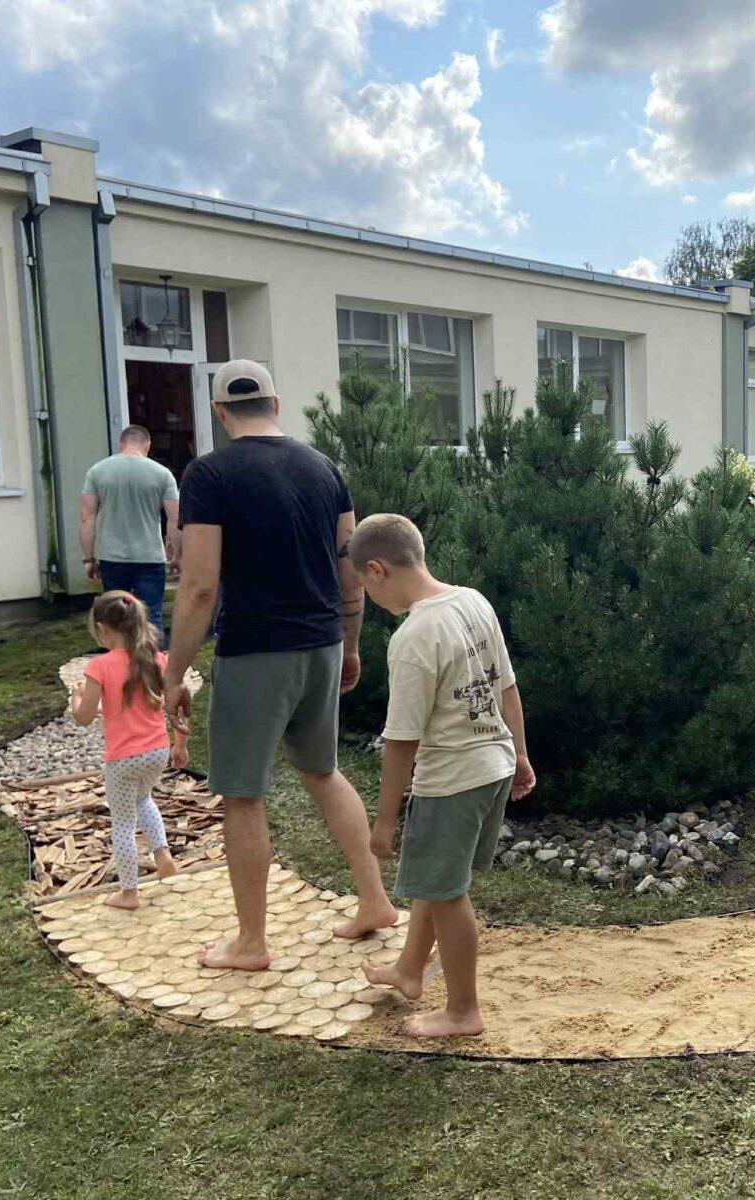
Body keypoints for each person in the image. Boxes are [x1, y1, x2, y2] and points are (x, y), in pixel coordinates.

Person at [164, 360, 400, 971]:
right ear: (275, 402)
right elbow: (351, 570)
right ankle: (375, 900)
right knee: (323, 771)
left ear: (220, 412)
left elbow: (199, 587)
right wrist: (351, 643)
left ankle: (251, 942)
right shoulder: (325, 469)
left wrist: (174, 672)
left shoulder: (209, 474)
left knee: (242, 794)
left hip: (255, 651)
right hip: (322, 642)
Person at [349, 514, 535, 1039]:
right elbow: (506, 686)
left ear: (377, 569)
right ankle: (410, 970)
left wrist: (384, 821)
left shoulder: (414, 637)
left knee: (449, 894)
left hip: (452, 778)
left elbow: (401, 740)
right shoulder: (473, 602)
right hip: (493, 764)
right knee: (437, 877)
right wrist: (521, 754)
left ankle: (462, 1011)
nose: (368, 596)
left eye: (364, 585)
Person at [69, 590, 188, 909]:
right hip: (157, 752)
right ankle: (162, 854)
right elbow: (176, 708)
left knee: (122, 822)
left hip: (122, 759)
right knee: (143, 798)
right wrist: (180, 745)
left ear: (102, 629)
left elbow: (84, 717)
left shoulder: (100, 666)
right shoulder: (155, 659)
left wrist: (76, 698)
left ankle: (129, 892)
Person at [79, 426, 180, 639]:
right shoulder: (162, 474)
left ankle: (119, 658)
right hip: (150, 556)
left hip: (112, 557)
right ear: (148, 446)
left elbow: (87, 518)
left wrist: (88, 559)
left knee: (116, 617)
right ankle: (152, 658)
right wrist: (176, 555)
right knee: (151, 616)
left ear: (120, 444)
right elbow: (175, 518)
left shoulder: (97, 471)